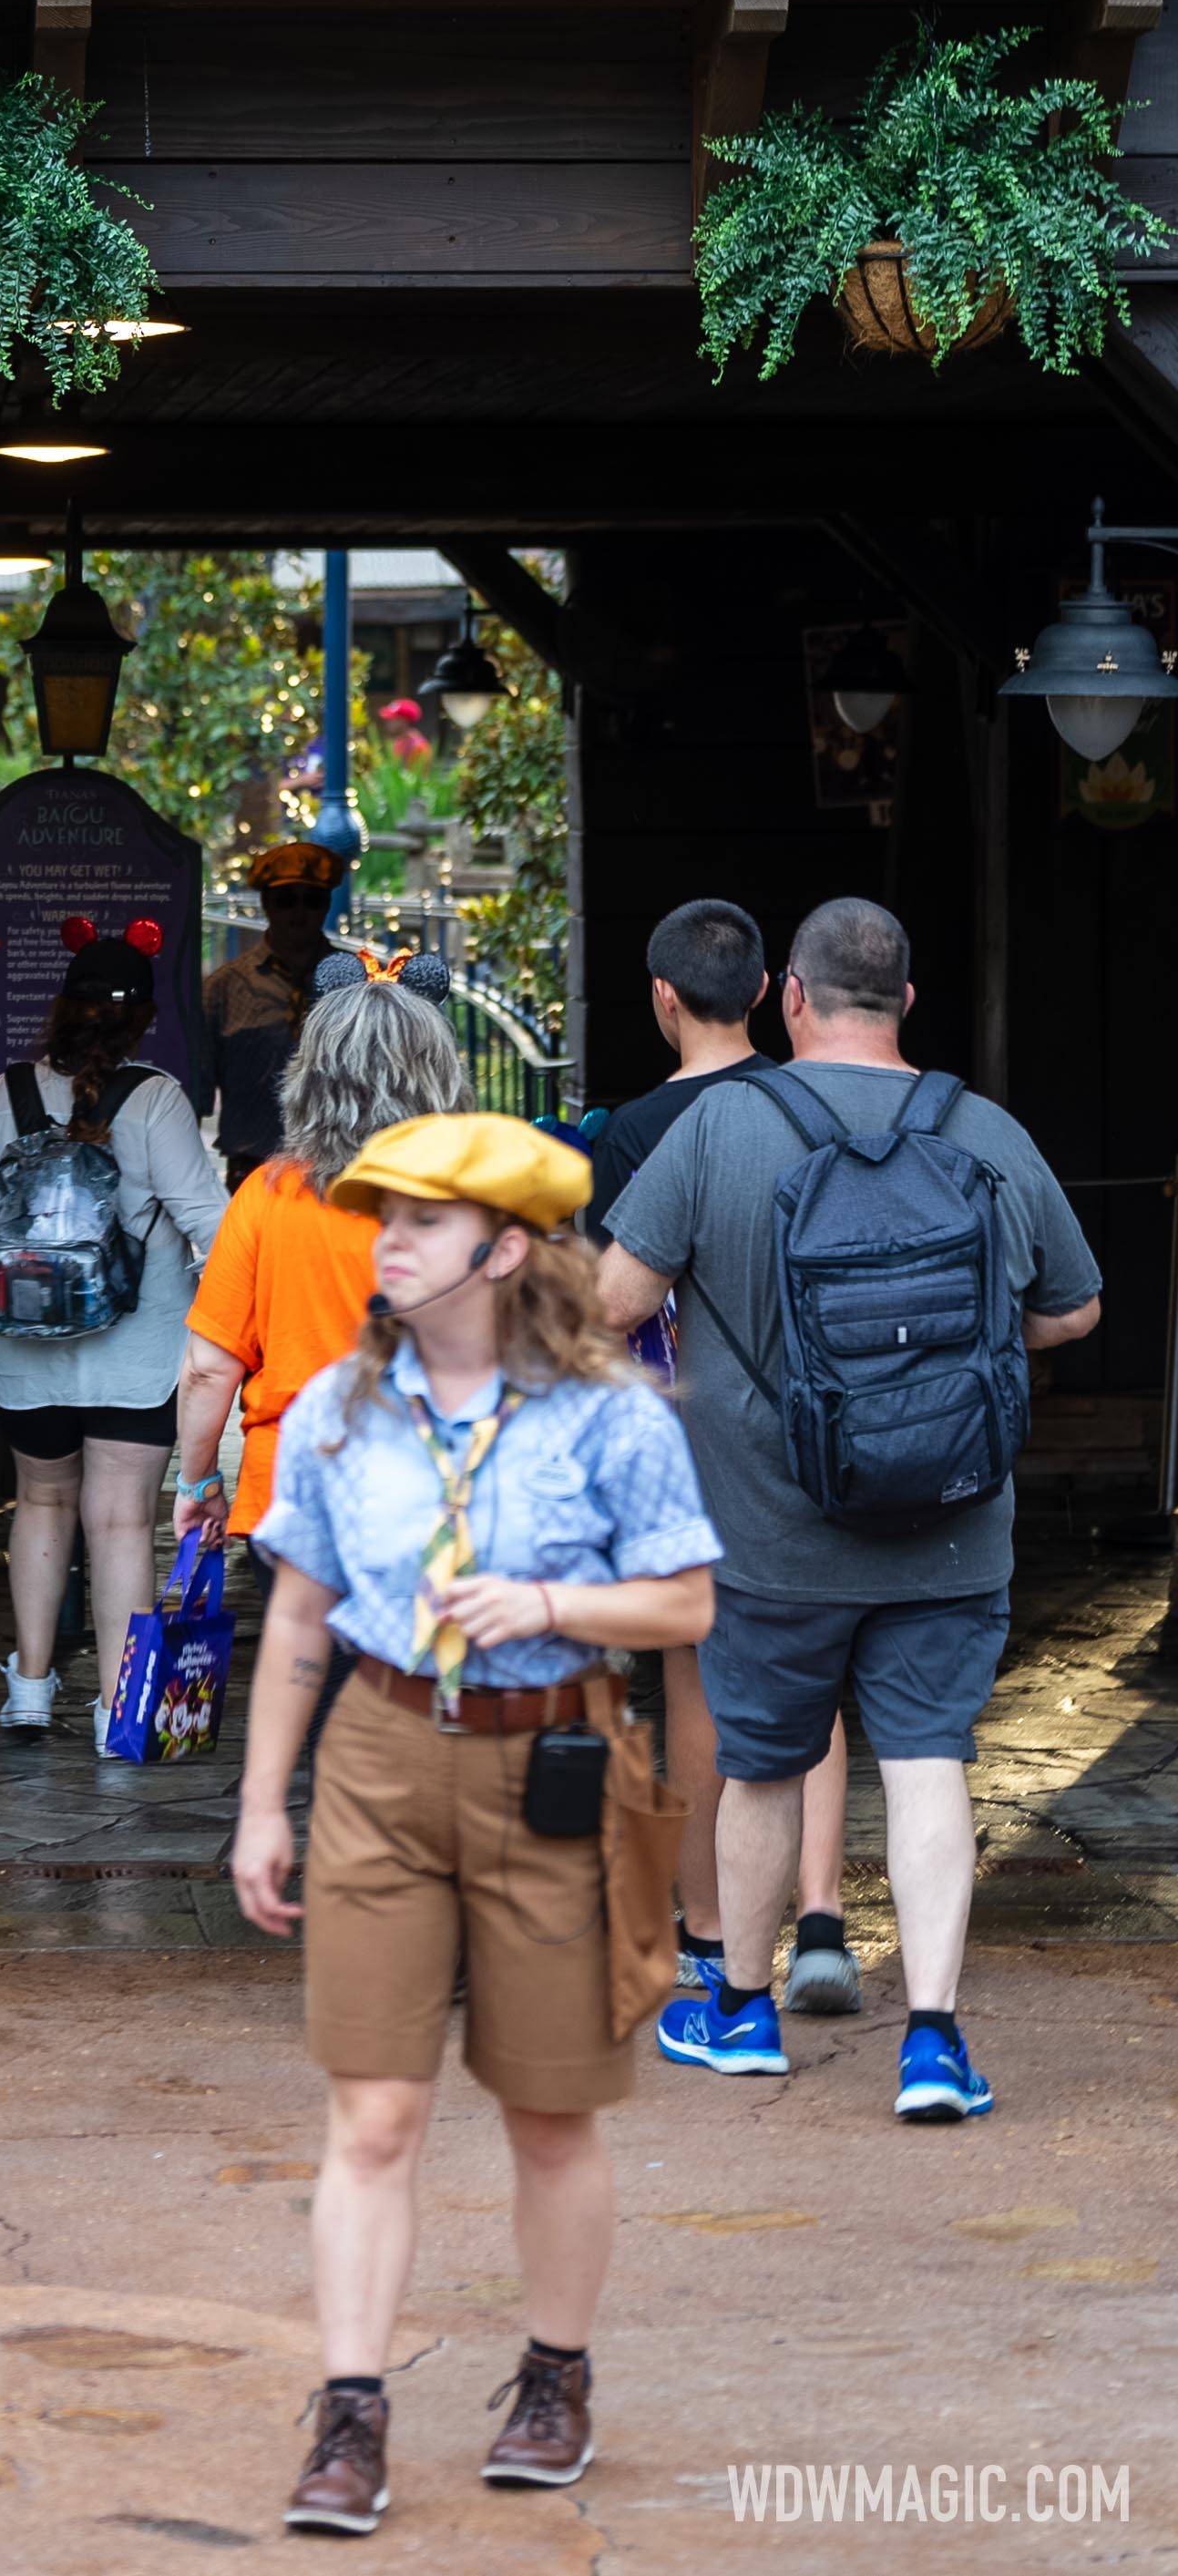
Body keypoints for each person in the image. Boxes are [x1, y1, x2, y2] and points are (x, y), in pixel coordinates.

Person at [232, 1114, 720, 2526]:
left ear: (505, 1248)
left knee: (551, 2111)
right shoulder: (335, 1407)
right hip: (382, 1759)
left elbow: (686, 1603)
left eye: (420, 1222)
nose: (384, 1240)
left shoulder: (612, 1413)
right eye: (379, 1216)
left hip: (553, 1760)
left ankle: (556, 2375)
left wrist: (554, 1605)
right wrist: (265, 1803)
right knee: (374, 2111)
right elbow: (299, 1621)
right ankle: (351, 2412)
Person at [597, 897, 1101, 2124]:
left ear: (793, 996)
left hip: (768, 1534)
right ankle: (932, 2043)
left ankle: (744, 2016)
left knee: (762, 1770)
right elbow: (1074, 1310)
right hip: (950, 1525)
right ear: (911, 1001)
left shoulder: (721, 1125)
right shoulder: (983, 1129)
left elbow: (615, 1297)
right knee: (930, 1763)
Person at [586, 897, 855, 2008]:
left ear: (659, 997)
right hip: (833, 1421)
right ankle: (822, 1916)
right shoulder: (818, 1103)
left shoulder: (638, 1131)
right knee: (824, 1658)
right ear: (763, 992)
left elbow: (610, 1305)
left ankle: (707, 1930)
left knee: (696, 1673)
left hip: (694, 1431)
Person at [0, 919, 228, 1753]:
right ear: (142, 1019)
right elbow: (207, 1221)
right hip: (134, 1356)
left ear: (62, 1009)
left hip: (24, 1352)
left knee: (40, 1501)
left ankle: (30, 1688)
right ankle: (119, 1709)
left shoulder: (6, 1094)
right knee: (120, 1524)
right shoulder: (157, 1099)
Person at [174, 951, 472, 1565]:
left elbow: (208, 1368)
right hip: (439, 1486)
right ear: (440, 1071)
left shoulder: (267, 1193)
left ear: (311, 1073)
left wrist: (198, 1481)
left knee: (304, 1660)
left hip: (292, 1487)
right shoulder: (476, 1199)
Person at [201, 840, 346, 1190]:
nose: (299, 912)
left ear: (326, 904)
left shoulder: (353, 981)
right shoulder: (225, 987)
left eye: (312, 899)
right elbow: (198, 1089)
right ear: (266, 903)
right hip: (253, 1169)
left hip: (339, 1166)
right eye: (285, 899)